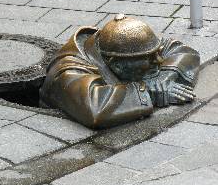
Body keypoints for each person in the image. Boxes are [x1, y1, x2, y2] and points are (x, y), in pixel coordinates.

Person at [39, 14, 200, 129]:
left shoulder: (124, 48)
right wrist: (148, 91)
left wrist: (163, 79)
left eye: (157, 53)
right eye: (149, 58)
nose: (158, 60)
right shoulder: (67, 71)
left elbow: (183, 51)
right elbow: (94, 108)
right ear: (115, 63)